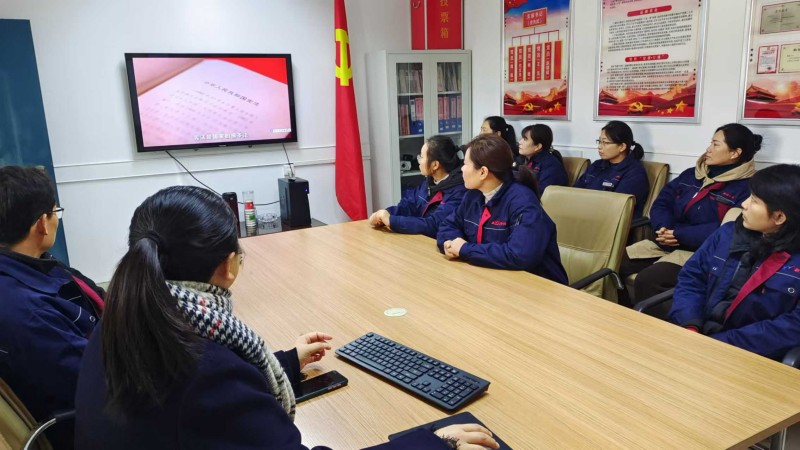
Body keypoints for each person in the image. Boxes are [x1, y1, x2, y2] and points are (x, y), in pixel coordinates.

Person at [75, 185, 498, 450]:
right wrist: (433, 444)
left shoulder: (121, 322)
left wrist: (283, 363)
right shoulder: (205, 370)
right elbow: (212, 392)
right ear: (229, 266)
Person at [0, 166, 105, 449]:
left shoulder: (31, 265)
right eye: (55, 212)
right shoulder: (26, 311)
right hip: (92, 424)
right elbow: (101, 380)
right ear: (42, 225)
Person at [669, 165, 800, 360]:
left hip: (748, 355)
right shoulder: (727, 233)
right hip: (696, 337)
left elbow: (791, 327)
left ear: (779, 216)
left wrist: (721, 344)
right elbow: (692, 278)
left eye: (754, 201)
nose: (744, 204)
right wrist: (690, 324)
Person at [621, 124, 760, 304]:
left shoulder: (747, 187)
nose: (708, 149)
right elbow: (662, 203)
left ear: (735, 153)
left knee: (649, 279)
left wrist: (680, 234)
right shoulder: (690, 175)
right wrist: (664, 228)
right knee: (614, 261)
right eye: (710, 143)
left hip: (700, 253)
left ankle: (647, 320)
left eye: (716, 145)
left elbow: (729, 228)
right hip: (666, 240)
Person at [437, 135, 568, 284]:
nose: (461, 169)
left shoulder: (523, 201)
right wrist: (451, 243)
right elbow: (448, 225)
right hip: (492, 278)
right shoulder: (473, 195)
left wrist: (465, 249)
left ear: (483, 172)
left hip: (537, 286)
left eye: (466, 164)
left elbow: (520, 255)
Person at [369, 135, 467, 238]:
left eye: (422, 157)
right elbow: (409, 205)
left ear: (435, 165)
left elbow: (433, 225)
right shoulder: (429, 181)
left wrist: (392, 221)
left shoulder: (459, 191)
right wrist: (385, 214)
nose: (419, 161)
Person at [574, 120, 649, 217]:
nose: (599, 147)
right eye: (599, 141)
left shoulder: (635, 173)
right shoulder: (597, 165)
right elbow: (574, 192)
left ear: (622, 147)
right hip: (583, 214)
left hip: (609, 221)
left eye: (605, 143)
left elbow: (617, 207)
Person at [515, 123, 568, 193]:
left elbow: (541, 193)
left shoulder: (550, 165)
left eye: (525, 139)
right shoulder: (520, 160)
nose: (520, 142)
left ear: (538, 146)